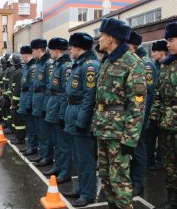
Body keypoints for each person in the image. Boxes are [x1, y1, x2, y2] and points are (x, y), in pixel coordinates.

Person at [92, 18, 147, 209]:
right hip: (103, 129)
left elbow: (138, 104)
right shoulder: (107, 62)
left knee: (120, 180)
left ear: (111, 38)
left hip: (119, 133)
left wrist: (130, 140)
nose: (98, 39)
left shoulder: (133, 64)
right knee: (106, 177)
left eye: (101, 36)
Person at [62, 33, 99, 207]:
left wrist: (82, 121)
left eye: (72, 46)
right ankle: (80, 187)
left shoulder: (90, 66)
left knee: (85, 159)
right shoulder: (79, 64)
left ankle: (88, 193)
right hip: (73, 113)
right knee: (78, 157)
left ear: (79, 47)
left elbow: (89, 97)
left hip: (81, 117)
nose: (70, 50)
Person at [127, 31, 157, 196]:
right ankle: (132, 179)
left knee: (139, 150)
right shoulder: (132, 61)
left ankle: (139, 183)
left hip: (140, 116)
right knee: (132, 150)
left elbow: (148, 93)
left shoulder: (145, 64)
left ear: (131, 45)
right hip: (132, 116)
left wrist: (141, 118)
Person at [152, 22, 177, 209]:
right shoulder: (166, 65)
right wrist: (154, 116)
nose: (168, 44)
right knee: (169, 164)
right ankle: (172, 199)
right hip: (167, 123)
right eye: (167, 40)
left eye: (171, 40)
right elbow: (158, 94)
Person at [43, 38, 73, 185]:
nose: (49, 52)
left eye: (51, 50)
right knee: (56, 141)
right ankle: (58, 166)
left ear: (57, 50)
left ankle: (65, 172)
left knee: (63, 143)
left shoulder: (66, 66)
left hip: (60, 106)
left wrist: (62, 113)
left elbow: (67, 92)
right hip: (53, 105)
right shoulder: (56, 64)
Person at [28, 39, 53, 167]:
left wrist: (45, 105)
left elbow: (50, 87)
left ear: (39, 49)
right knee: (40, 131)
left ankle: (47, 156)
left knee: (45, 132)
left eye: (33, 50)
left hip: (42, 100)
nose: (32, 53)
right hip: (36, 101)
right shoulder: (39, 64)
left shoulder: (48, 64)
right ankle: (43, 154)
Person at [147, 40, 168, 171]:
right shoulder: (152, 66)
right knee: (150, 136)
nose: (153, 54)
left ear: (162, 52)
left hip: (165, 109)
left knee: (163, 138)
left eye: (155, 51)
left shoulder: (169, 66)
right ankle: (150, 161)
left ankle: (161, 161)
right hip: (153, 108)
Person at [17, 46, 38, 156]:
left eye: (22, 55)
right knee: (29, 125)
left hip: (28, 99)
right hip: (24, 98)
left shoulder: (33, 67)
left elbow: (31, 87)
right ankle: (30, 145)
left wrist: (29, 103)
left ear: (26, 55)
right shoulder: (28, 67)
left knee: (31, 126)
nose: (22, 58)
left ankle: (33, 146)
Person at [10, 53, 26, 145]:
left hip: (18, 101)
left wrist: (14, 102)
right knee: (16, 119)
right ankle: (18, 137)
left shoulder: (19, 72)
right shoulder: (18, 71)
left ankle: (20, 138)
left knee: (19, 120)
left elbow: (17, 89)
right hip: (17, 100)